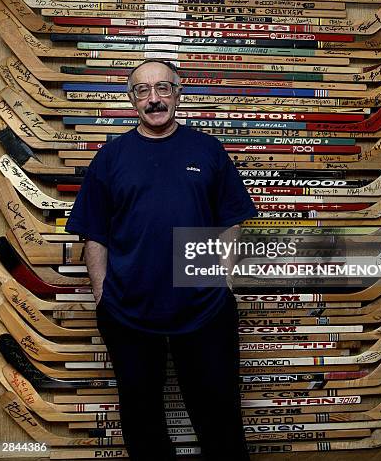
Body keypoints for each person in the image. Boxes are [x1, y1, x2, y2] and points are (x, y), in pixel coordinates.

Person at [66, 60, 258, 460]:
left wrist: (221, 281)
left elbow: (231, 221)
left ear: (178, 92)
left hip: (204, 307)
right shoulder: (112, 157)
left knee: (220, 417)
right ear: (131, 99)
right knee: (142, 420)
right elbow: (94, 234)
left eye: (163, 88)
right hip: (128, 311)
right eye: (142, 90)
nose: (154, 99)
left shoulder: (207, 150)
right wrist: (102, 296)